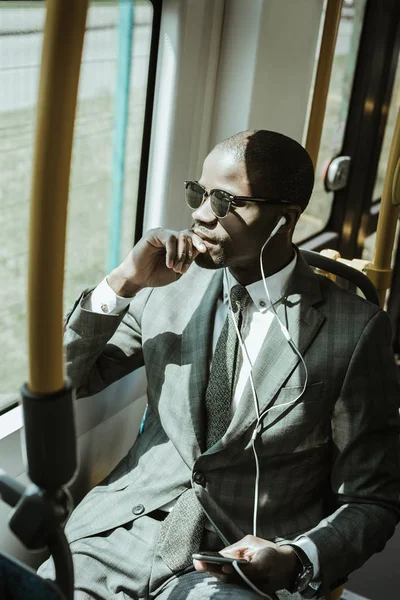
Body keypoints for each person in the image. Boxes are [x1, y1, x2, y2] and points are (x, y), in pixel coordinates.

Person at [38, 130, 400, 600]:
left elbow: (372, 499)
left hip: (237, 562)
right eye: (200, 194)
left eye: (226, 202)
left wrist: (296, 557)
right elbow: (63, 379)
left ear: (284, 220)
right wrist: (123, 281)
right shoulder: (166, 287)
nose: (201, 214)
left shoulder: (354, 331)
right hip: (120, 535)